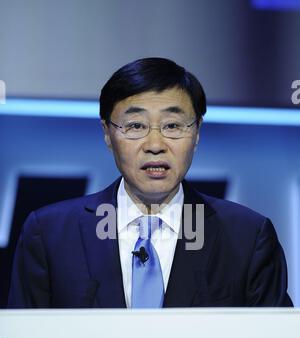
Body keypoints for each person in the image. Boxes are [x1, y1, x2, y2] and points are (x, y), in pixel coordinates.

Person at [8, 57, 293, 308]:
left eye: (172, 126)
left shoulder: (247, 237)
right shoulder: (49, 235)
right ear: (107, 133)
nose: (155, 145)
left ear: (197, 133)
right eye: (135, 126)